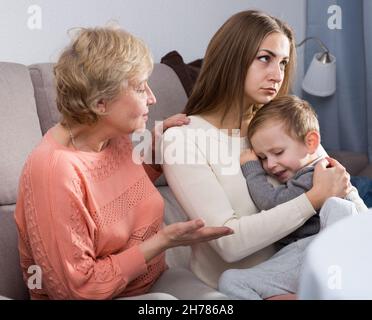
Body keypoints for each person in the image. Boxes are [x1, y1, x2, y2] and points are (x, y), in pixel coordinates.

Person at [14, 27, 233, 300]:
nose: (152, 98)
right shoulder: (53, 171)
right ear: (101, 103)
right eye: (141, 88)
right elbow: (76, 290)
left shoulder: (112, 137)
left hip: (152, 281)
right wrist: (163, 241)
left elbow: (114, 194)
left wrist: (154, 154)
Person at [161, 10, 351, 298]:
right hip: (246, 287)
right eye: (265, 58)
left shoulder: (279, 125)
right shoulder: (183, 138)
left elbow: (341, 190)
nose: (277, 75)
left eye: (284, 63)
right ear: (232, 58)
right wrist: (313, 199)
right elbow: (228, 242)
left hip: (318, 272)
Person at [216, 95, 368, 300]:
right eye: (262, 158)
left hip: (320, 250)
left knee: (338, 206)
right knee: (231, 280)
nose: (269, 165)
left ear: (311, 142)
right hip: (301, 259)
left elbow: (272, 202)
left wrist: (252, 168)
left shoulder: (317, 174)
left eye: (277, 152)